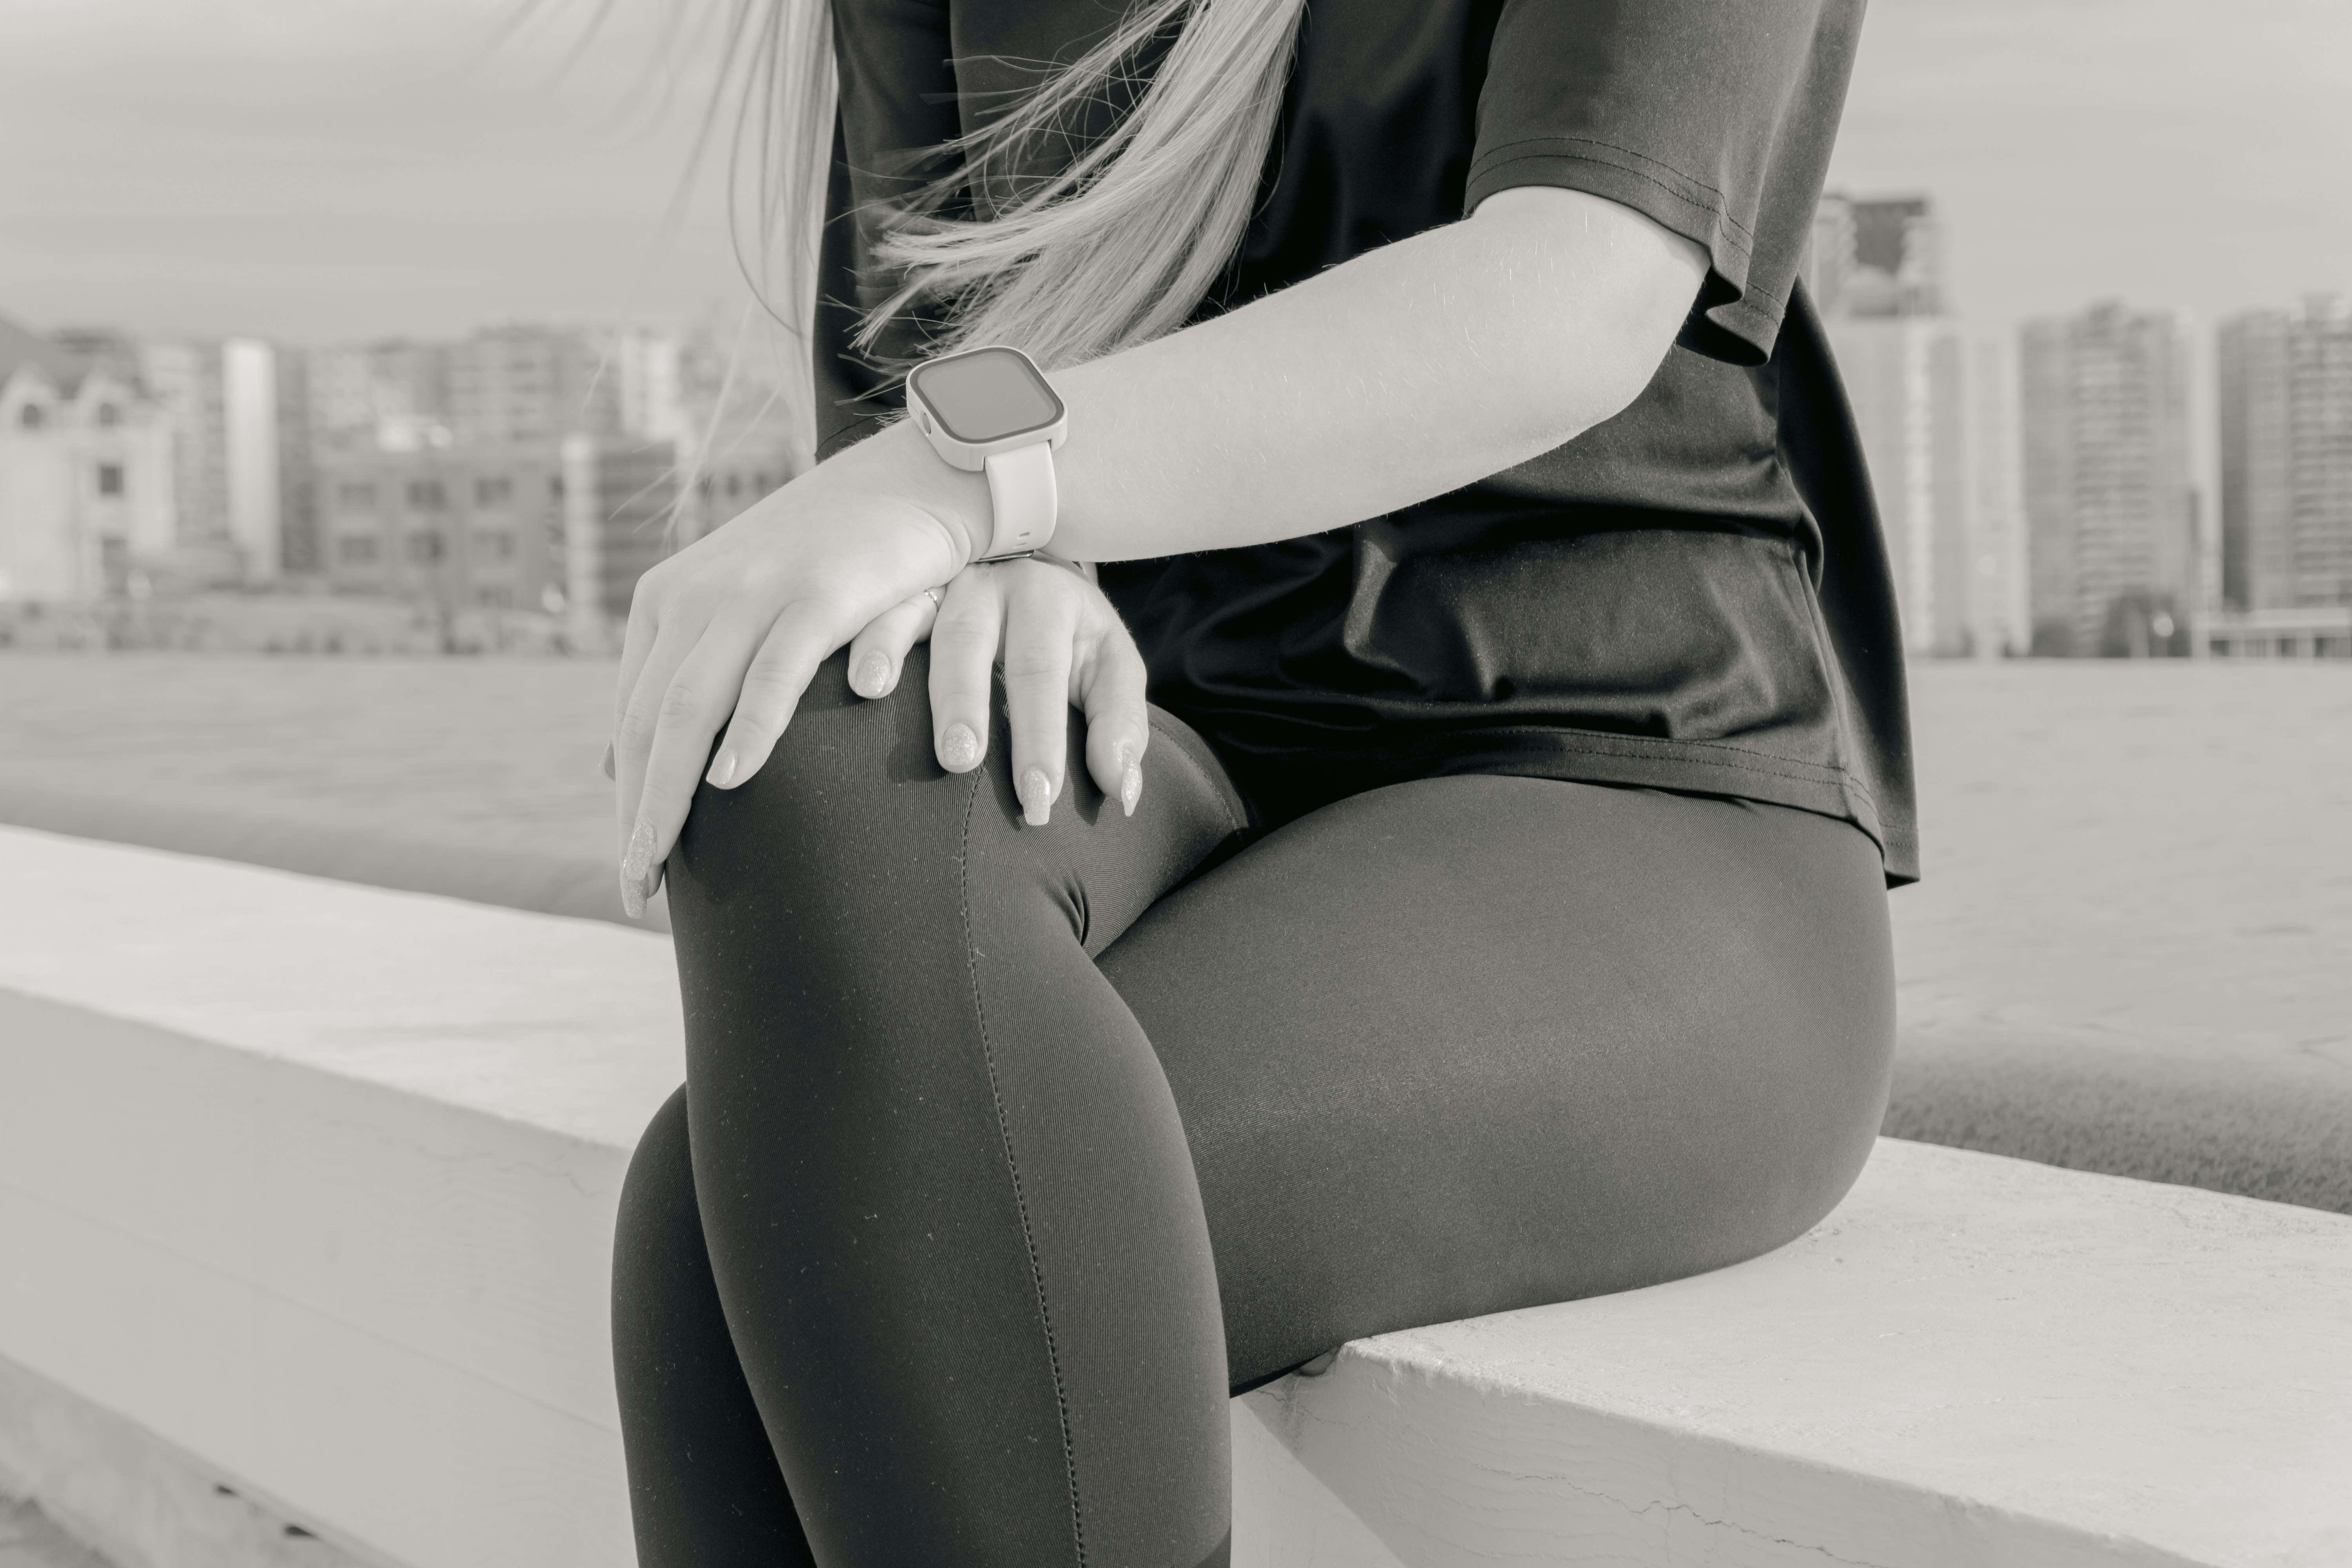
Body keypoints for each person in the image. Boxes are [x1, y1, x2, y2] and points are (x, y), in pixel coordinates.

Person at [607, 0, 1912, 1563]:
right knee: (827, 754)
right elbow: (927, 361)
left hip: (1628, 801)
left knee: (739, 1249)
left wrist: (980, 478)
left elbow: (1570, 290)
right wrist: (1002, 554)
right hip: (1159, 752)